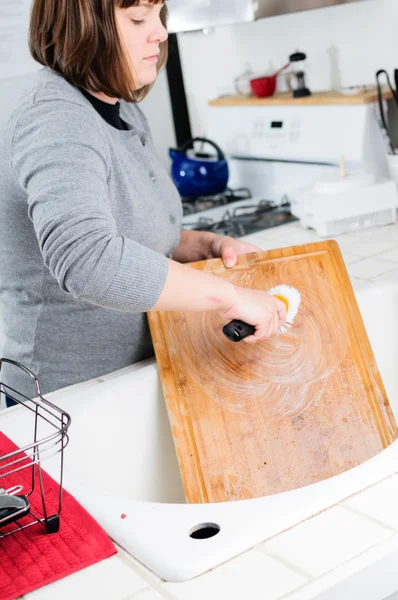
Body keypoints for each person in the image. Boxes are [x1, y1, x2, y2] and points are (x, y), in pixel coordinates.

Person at [0, 0, 286, 404]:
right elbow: (87, 259)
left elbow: (129, 234)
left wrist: (204, 245)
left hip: (132, 379)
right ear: (82, 25)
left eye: (159, 15)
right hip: (66, 402)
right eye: (138, 19)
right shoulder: (54, 117)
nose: (160, 32)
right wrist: (230, 296)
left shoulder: (123, 110)